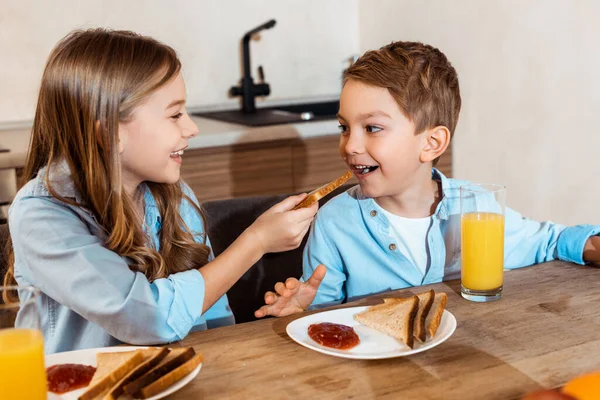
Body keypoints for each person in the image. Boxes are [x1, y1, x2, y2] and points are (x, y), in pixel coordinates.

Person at [2, 28, 317, 353]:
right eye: (175, 114)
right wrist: (257, 241)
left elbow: (212, 318)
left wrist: (259, 334)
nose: (191, 128)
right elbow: (147, 317)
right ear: (110, 132)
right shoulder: (42, 214)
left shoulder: (176, 198)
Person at [255, 40, 600, 318]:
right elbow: (324, 311)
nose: (350, 145)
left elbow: (549, 241)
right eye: (344, 128)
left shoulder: (476, 207)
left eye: (372, 128)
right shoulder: (335, 221)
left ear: (432, 143)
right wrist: (302, 307)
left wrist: (589, 245)